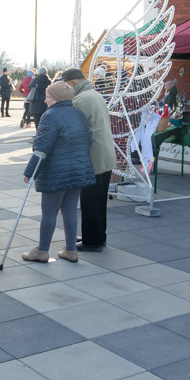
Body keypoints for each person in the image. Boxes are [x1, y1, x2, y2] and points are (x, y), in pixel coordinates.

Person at [21, 81, 95, 264]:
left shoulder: (50, 116)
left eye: (47, 96)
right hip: (78, 169)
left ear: (55, 98)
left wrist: (30, 172)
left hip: (56, 172)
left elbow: (41, 148)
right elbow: (89, 139)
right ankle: (71, 250)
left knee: (49, 212)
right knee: (69, 210)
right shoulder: (78, 114)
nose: (45, 100)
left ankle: (42, 251)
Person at [61, 68, 117, 251]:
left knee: (90, 201)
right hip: (103, 155)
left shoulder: (82, 99)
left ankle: (92, 241)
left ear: (73, 83)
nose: (65, 89)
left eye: (66, 85)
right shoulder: (92, 94)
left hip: (94, 157)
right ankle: (98, 237)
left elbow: (76, 130)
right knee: (99, 201)